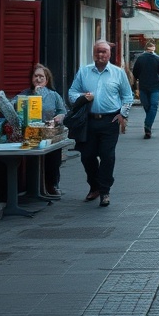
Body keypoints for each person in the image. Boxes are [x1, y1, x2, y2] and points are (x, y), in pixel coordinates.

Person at [68, 40, 134, 207]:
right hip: (88, 121)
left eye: (104, 51)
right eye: (98, 51)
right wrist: (83, 97)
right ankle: (94, 186)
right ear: (93, 53)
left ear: (109, 54)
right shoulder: (84, 72)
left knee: (107, 156)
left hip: (110, 120)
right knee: (87, 156)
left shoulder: (118, 73)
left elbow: (127, 96)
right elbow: (72, 93)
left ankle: (105, 191)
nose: (100, 54)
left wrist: (123, 114)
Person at [12, 65, 67, 196]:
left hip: (49, 133)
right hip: (29, 134)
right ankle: (31, 187)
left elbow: (63, 111)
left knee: (53, 159)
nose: (38, 79)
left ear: (47, 80)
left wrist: (59, 118)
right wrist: (33, 96)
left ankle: (51, 184)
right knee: (31, 160)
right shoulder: (24, 94)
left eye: (41, 77)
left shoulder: (53, 95)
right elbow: (12, 105)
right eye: (35, 76)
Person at [132, 40, 159, 139]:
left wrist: (135, 84)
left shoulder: (140, 59)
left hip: (143, 86)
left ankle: (148, 126)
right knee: (153, 106)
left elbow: (135, 73)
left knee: (147, 106)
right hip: (155, 86)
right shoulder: (158, 59)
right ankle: (148, 124)